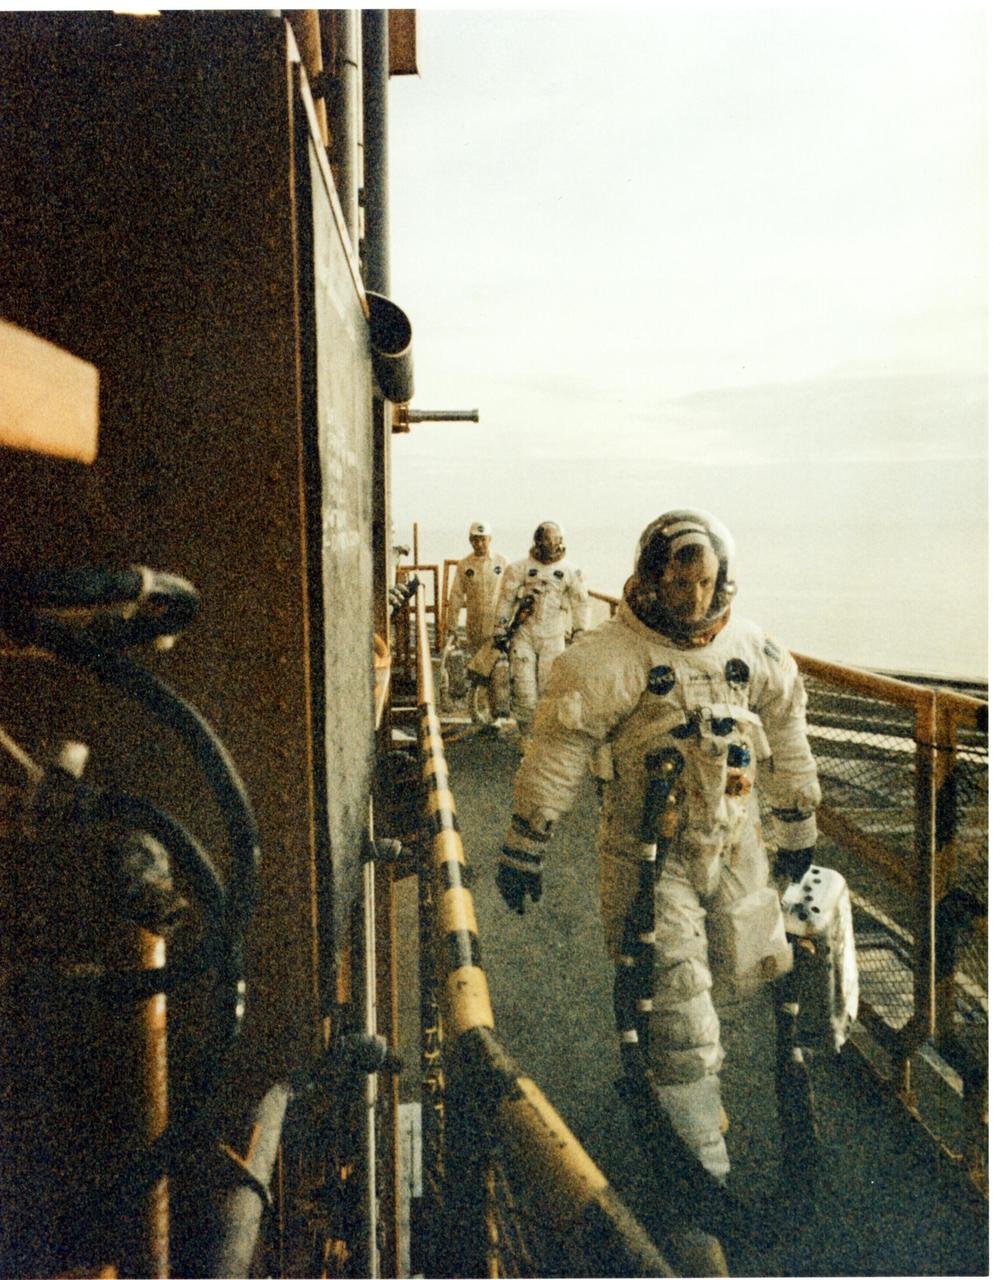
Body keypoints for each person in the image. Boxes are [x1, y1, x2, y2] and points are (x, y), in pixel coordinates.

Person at [496, 509, 821, 1188]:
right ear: (650, 578)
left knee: (754, 970)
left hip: (736, 846)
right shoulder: (612, 657)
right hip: (649, 856)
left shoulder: (752, 651)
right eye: (677, 582)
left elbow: (786, 734)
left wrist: (796, 829)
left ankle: (687, 1101)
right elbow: (558, 747)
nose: (691, 597)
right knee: (677, 997)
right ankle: (701, 1158)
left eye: (702, 583)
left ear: (720, 579)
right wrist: (526, 841)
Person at [492, 521, 589, 742]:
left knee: (550, 689)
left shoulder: (570, 571)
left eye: (554, 541)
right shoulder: (519, 568)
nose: (550, 546)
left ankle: (545, 738)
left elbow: (580, 604)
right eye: (546, 540)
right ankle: (528, 739)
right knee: (525, 692)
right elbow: (506, 600)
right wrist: (500, 628)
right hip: (524, 635)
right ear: (538, 541)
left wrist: (580, 632)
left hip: (554, 637)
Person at [444, 521, 508, 722]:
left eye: (483, 539)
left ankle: (494, 715)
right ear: (470, 540)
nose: (479, 543)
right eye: (475, 539)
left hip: (497, 626)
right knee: (476, 669)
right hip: (474, 626)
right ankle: (477, 712)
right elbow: (455, 596)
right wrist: (451, 625)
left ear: (490, 539)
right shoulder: (464, 565)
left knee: (495, 670)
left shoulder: (502, 562)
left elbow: (511, 592)